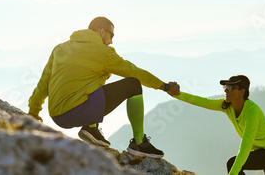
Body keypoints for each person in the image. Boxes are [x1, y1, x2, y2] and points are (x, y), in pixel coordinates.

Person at [27, 16, 178, 158]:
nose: (111, 41)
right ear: (102, 31)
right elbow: (134, 72)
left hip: (57, 116)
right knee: (133, 84)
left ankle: (90, 128)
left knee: (89, 79)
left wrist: (33, 111)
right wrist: (164, 86)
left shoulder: (60, 49)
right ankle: (139, 144)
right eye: (111, 35)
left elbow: (44, 81)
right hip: (76, 112)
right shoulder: (103, 52)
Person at [168, 75, 265, 174]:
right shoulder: (227, 106)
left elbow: (246, 144)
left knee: (233, 164)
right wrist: (177, 94)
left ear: (242, 92)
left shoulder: (252, 111)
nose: (226, 90)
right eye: (226, 86)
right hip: (264, 151)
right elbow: (202, 102)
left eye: (231, 87)